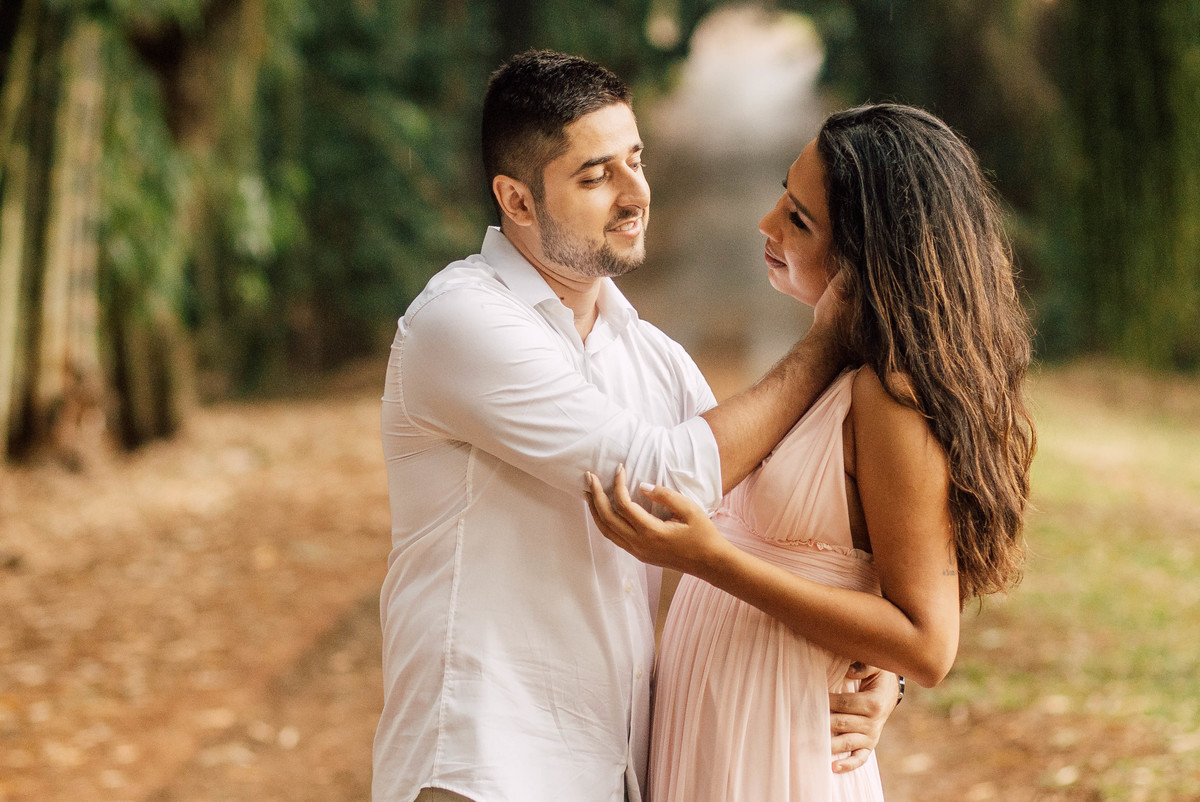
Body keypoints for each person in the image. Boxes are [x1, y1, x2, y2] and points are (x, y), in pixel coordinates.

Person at [374, 52, 900, 802]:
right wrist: (831, 338)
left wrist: (883, 669)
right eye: (596, 177)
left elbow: (770, 519)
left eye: (636, 161)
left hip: (615, 769)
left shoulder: (652, 359)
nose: (635, 195)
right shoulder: (459, 322)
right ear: (517, 201)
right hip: (487, 767)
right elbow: (661, 477)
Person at [587, 103, 1037, 801]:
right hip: (717, 731)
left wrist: (712, 562)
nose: (766, 226)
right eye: (783, 198)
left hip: (780, 742)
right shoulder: (826, 375)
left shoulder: (890, 400)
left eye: (799, 219)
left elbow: (925, 641)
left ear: (870, 255)